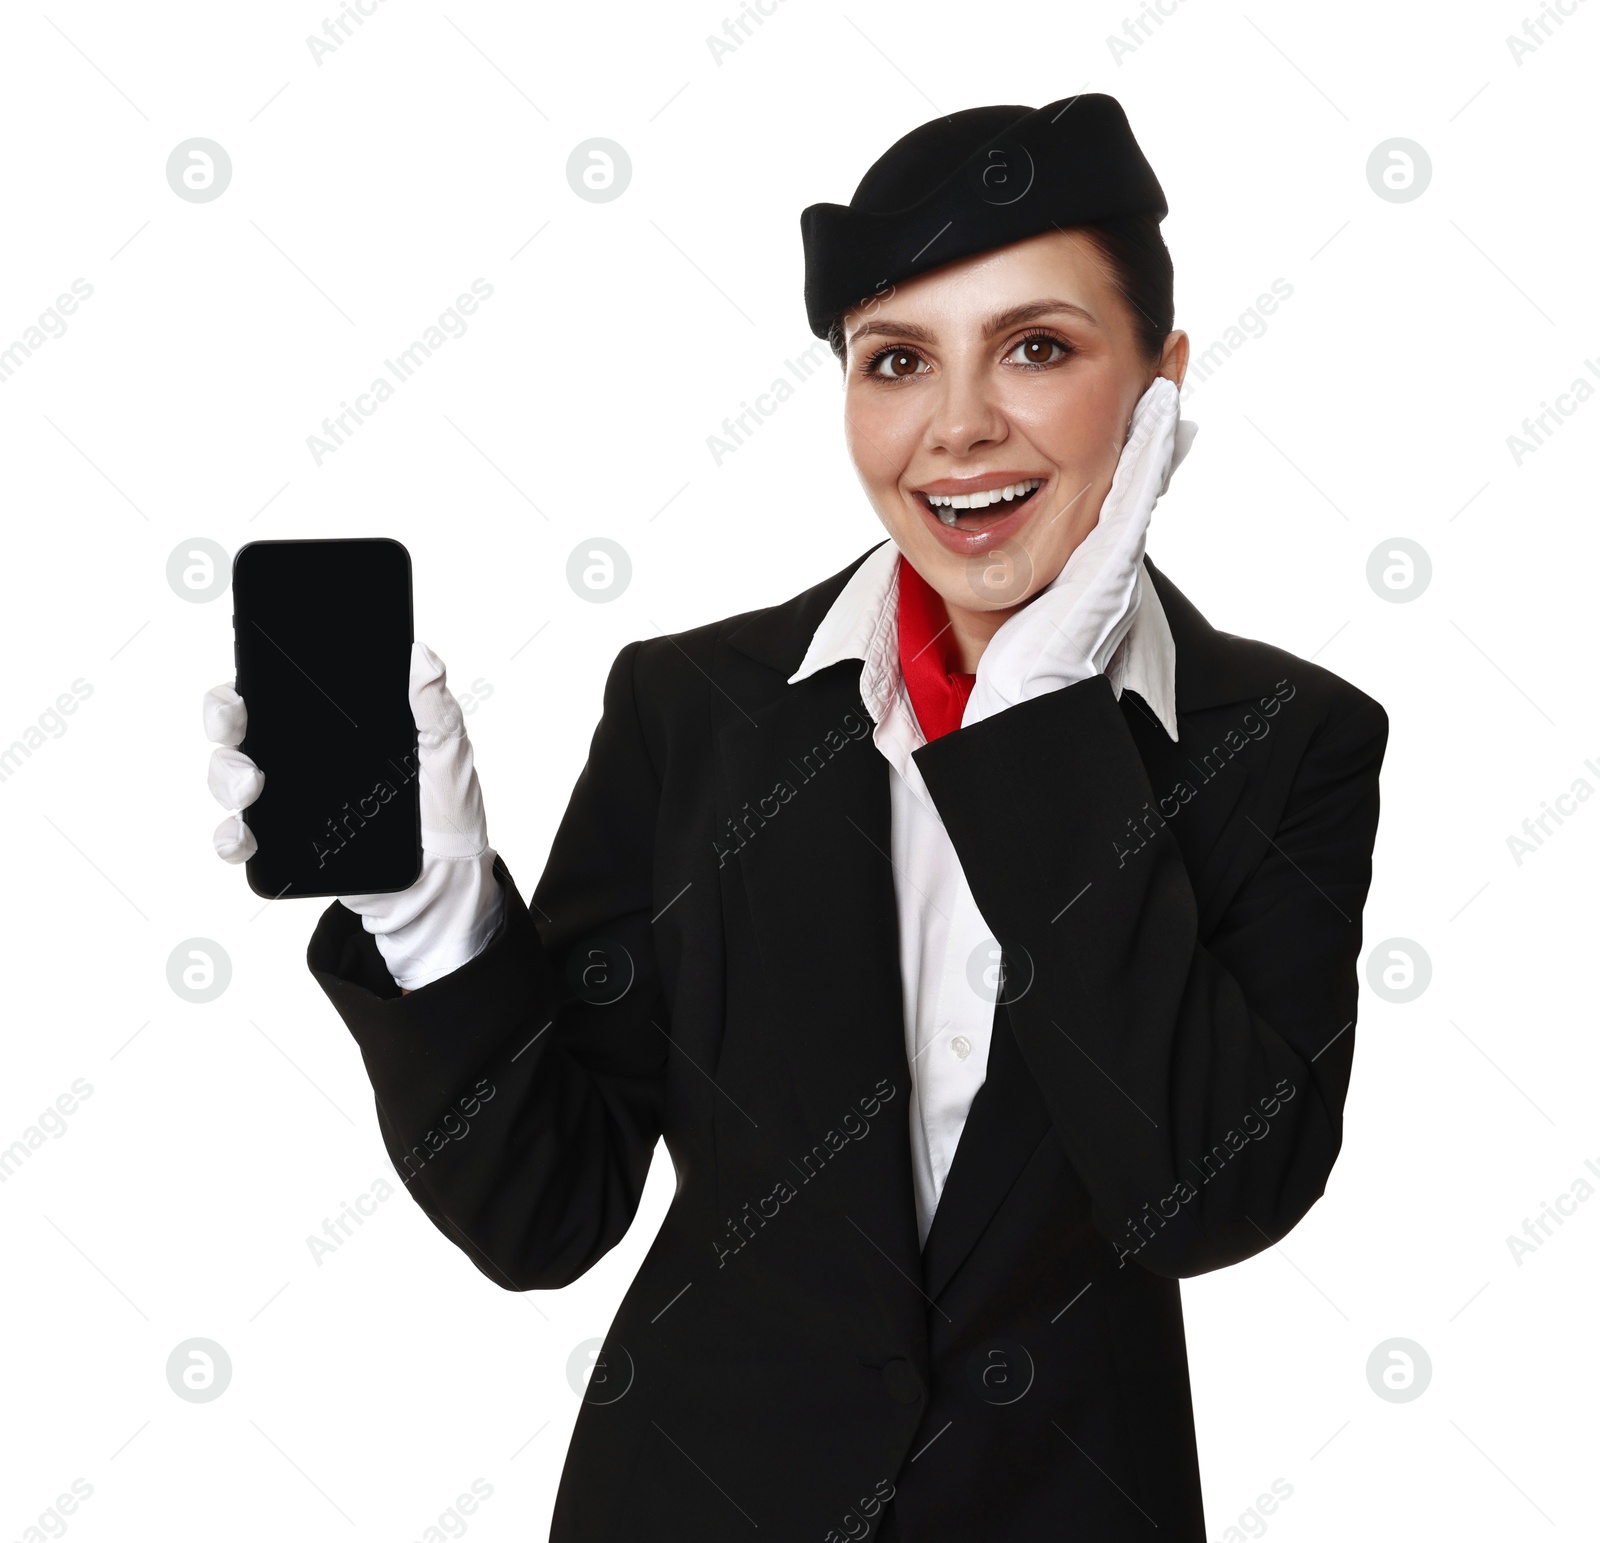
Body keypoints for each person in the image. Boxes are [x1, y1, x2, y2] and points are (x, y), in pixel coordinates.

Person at [203, 93, 1388, 1542]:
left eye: (1037, 348)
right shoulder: (695, 710)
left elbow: (1212, 1195)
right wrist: (436, 910)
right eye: (897, 361)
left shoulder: (1286, 741)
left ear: (1161, 385)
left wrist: (1034, 722)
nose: (958, 427)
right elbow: (546, 1213)